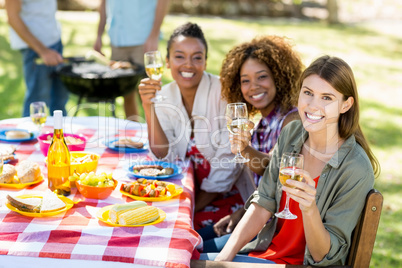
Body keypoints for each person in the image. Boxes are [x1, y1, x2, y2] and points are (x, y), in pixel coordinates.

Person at [200, 55, 380, 265]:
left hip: (298, 264)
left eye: (327, 98)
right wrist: (223, 260)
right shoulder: (292, 133)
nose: (313, 105)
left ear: (346, 104)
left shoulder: (356, 168)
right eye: (308, 93)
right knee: (187, 257)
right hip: (266, 248)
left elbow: (325, 257)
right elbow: (263, 203)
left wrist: (309, 208)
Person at [138, 22, 252, 230]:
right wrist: (148, 107)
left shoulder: (224, 93)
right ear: (167, 62)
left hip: (227, 198)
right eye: (179, 56)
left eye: (197, 57)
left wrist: (188, 208)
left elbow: (229, 162)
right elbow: (163, 157)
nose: (188, 65)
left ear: (206, 62)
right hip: (186, 194)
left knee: (173, 232)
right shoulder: (163, 95)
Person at [198, 36, 304, 246]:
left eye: (261, 77)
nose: (253, 86)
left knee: (192, 252)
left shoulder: (291, 120)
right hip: (256, 218)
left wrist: (244, 149)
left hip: (272, 232)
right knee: (190, 239)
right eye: (245, 80)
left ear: (279, 77)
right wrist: (241, 213)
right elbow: (265, 190)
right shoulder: (262, 123)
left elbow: (271, 170)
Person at [94, 0, 170, 121]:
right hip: (117, 39)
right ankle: (135, 134)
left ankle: (158, 134)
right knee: (127, 93)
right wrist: (99, 34)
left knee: (150, 93)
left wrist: (154, 35)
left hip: (143, 39)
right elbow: (104, 3)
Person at [5, 0, 69, 117]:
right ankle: (33, 135)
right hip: (36, 50)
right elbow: (12, 17)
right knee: (38, 105)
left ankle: (62, 135)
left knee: (60, 101)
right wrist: (43, 51)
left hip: (55, 43)